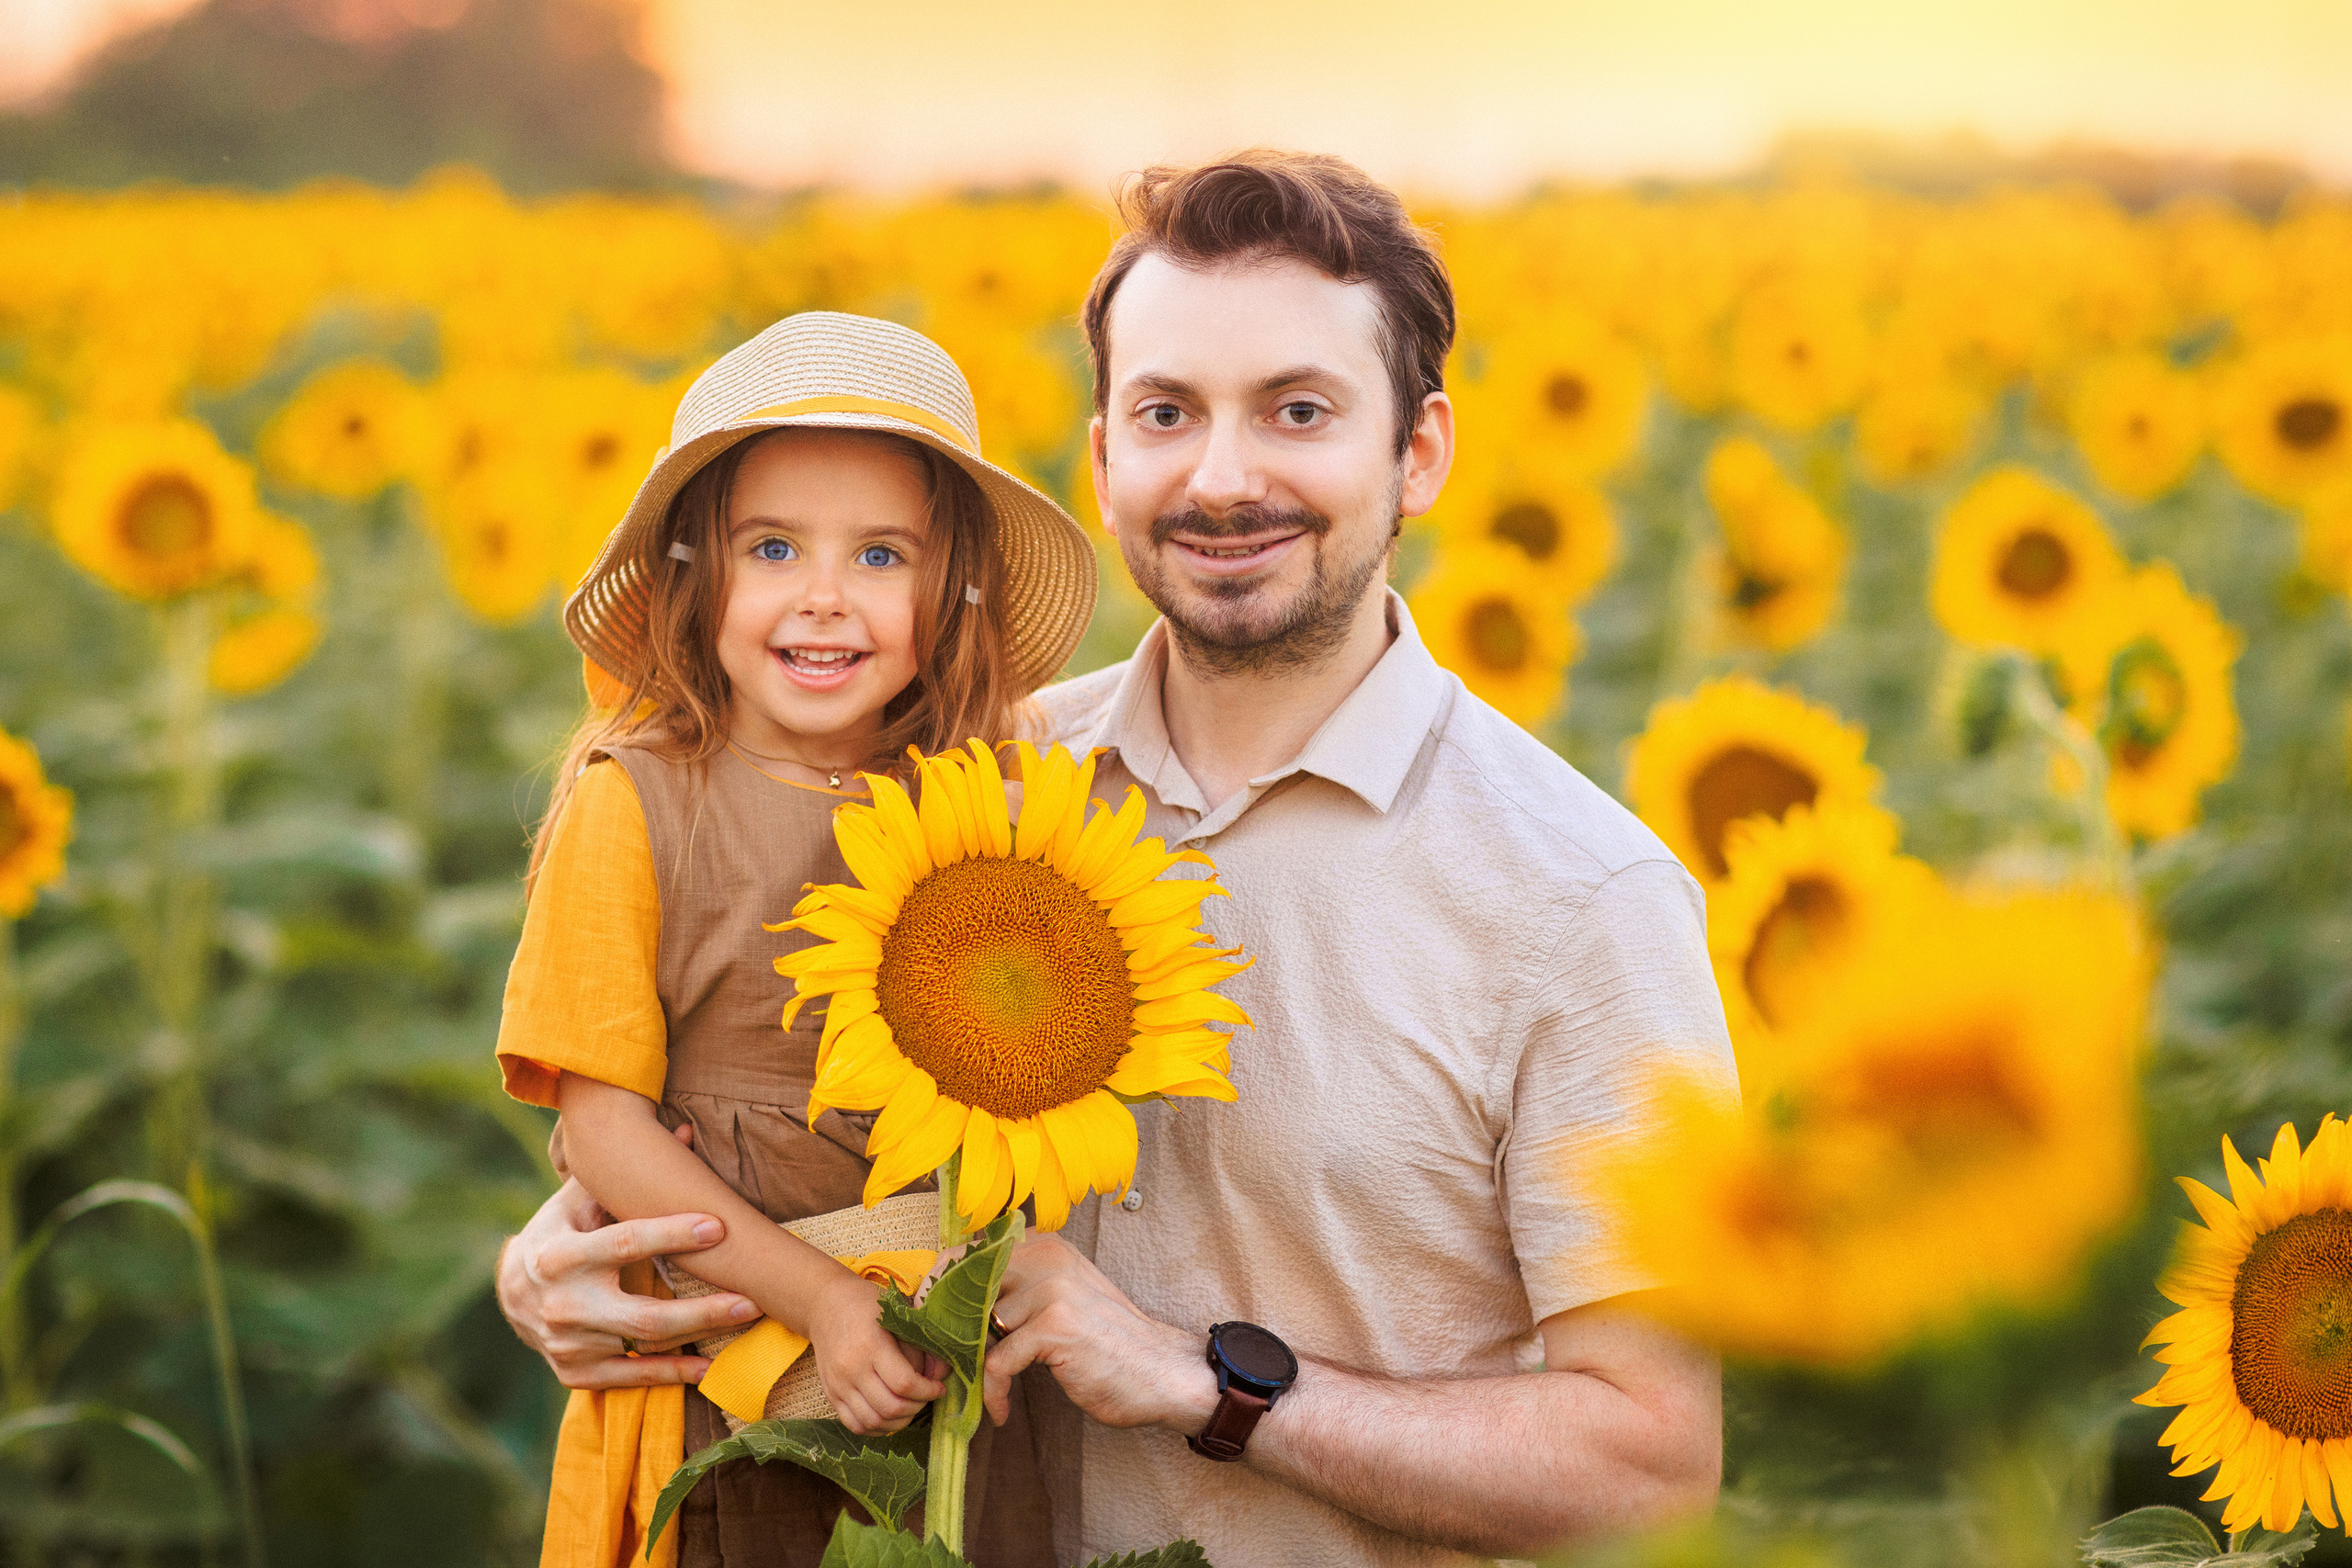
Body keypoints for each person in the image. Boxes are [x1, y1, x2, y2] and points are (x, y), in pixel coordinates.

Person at [501, 153, 1736, 1566]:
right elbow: (737, 1107)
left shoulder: (1580, 901)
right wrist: (556, 1262)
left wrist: (1210, 1385)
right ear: (1102, 458)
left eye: (1298, 411)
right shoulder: (964, 791)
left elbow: (1651, 1472)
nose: (1222, 476)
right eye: (1167, 413)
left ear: (1421, 453)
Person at [496, 310, 1095, 1568]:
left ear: (954, 588)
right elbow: (602, 1125)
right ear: (695, 576)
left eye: (881, 556)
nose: (825, 596)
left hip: (939, 1372)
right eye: (773, 547)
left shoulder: (982, 788)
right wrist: (820, 1302)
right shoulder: (636, 798)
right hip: (724, 1369)